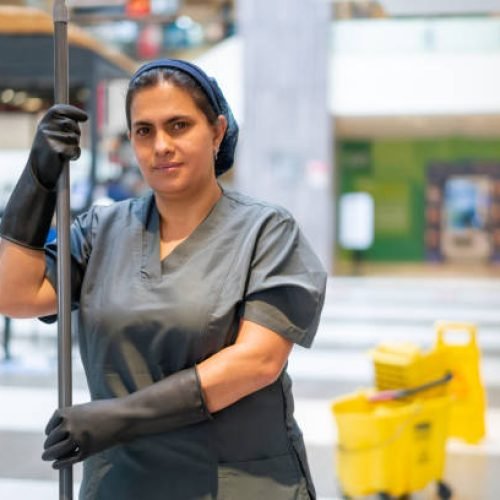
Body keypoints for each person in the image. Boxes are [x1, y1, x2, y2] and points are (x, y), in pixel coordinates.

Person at [0, 59, 327, 500]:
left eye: (179, 126)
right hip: (123, 484)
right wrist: (38, 178)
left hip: (235, 484)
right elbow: (15, 295)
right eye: (144, 131)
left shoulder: (267, 231)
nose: (161, 146)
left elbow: (257, 362)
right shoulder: (101, 231)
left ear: (216, 131)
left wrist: (118, 418)